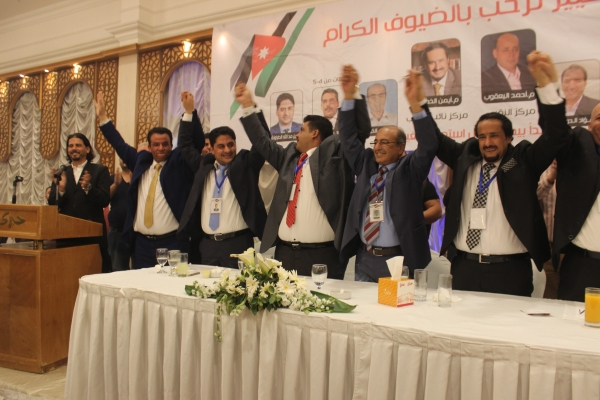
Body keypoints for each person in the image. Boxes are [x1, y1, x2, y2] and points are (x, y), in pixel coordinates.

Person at [435, 51, 569, 296]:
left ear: (508, 138)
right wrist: (419, 107)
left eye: (494, 136)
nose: (488, 143)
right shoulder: (464, 159)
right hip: (464, 268)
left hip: (510, 272)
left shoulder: (523, 161)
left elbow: (556, 135)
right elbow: (433, 140)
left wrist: (547, 88)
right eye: (482, 137)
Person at [235, 83, 369, 279]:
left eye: (302, 130)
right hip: (285, 253)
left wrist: (352, 96)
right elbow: (262, 142)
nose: (296, 134)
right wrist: (248, 106)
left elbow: (358, 134)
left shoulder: (336, 156)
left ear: (315, 133)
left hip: (322, 255)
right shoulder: (288, 158)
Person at [338, 66, 437, 282]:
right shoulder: (365, 164)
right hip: (365, 257)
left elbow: (429, 145)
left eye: (385, 142)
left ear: (401, 148)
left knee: (395, 306)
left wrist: (416, 105)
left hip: (398, 260)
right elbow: (347, 138)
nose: (377, 147)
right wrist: (348, 97)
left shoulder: (410, 170)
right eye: (376, 142)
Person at [94, 92, 194, 269]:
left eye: (165, 144)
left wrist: (188, 113)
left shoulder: (178, 165)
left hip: (173, 243)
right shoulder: (141, 163)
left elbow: (189, 143)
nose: (161, 148)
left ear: (172, 146)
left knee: (172, 285)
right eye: (156, 144)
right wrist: (103, 117)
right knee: (141, 284)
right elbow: (119, 144)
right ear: (149, 147)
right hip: (141, 245)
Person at [177, 91, 268, 268]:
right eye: (221, 146)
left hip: (239, 244)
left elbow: (262, 142)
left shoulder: (246, 164)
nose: (227, 150)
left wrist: (250, 108)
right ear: (211, 148)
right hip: (207, 246)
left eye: (231, 144)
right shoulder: (204, 165)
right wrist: (188, 112)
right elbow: (185, 145)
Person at [536, 55, 600, 302]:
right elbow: (556, 130)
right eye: (598, 118)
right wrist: (548, 87)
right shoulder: (578, 147)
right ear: (589, 125)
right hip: (582, 267)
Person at [48, 133, 112, 273]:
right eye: (70, 146)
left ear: (87, 149)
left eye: (78, 145)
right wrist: (61, 189)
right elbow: (52, 204)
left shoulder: (99, 170)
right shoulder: (61, 172)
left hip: (91, 237)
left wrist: (88, 188)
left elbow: (104, 200)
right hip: (66, 236)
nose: (73, 148)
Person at [536, 160, 560, 298]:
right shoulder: (541, 168)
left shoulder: (577, 168)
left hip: (572, 247)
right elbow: (533, 197)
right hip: (547, 246)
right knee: (550, 289)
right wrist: (551, 177)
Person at [107, 159, 132, 271]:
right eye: (122, 157)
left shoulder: (140, 177)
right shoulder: (112, 178)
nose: (124, 159)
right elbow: (105, 198)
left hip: (136, 233)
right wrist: (116, 184)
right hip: (117, 232)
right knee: (117, 271)